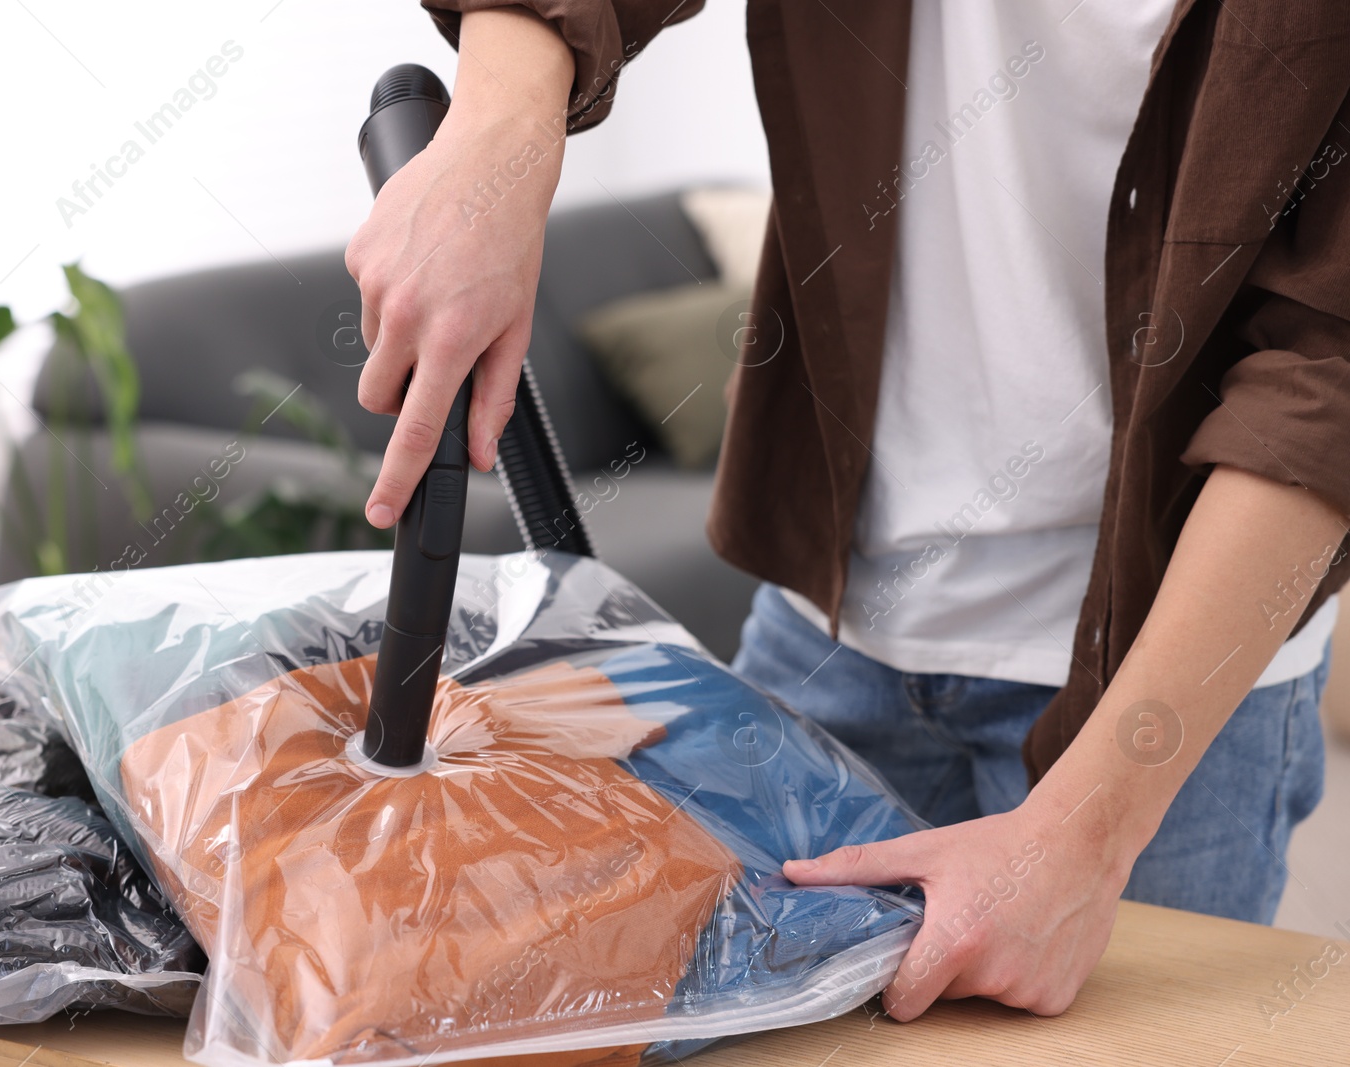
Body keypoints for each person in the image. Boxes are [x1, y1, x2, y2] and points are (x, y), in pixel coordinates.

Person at [345, 0, 1350, 1020]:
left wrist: (1090, 829)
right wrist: (493, 136)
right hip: (827, 626)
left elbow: (1331, 374)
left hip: (1161, 684)